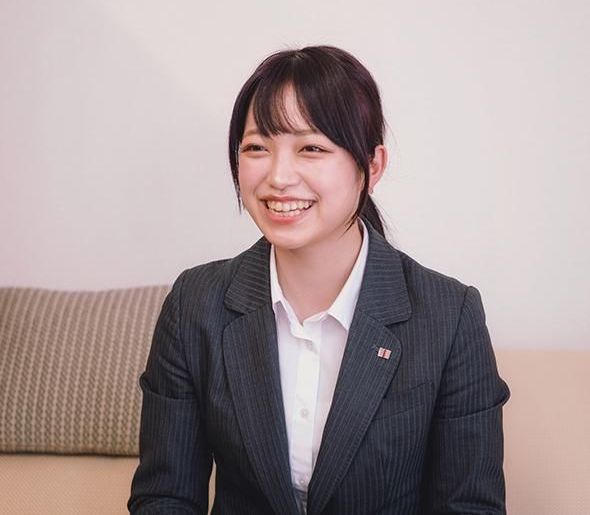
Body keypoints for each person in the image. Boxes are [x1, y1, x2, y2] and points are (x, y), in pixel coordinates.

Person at [128, 45, 510, 515]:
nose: (278, 176)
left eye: (311, 148)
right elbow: (164, 498)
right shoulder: (195, 304)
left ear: (372, 166)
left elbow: (470, 507)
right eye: (257, 148)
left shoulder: (449, 316)